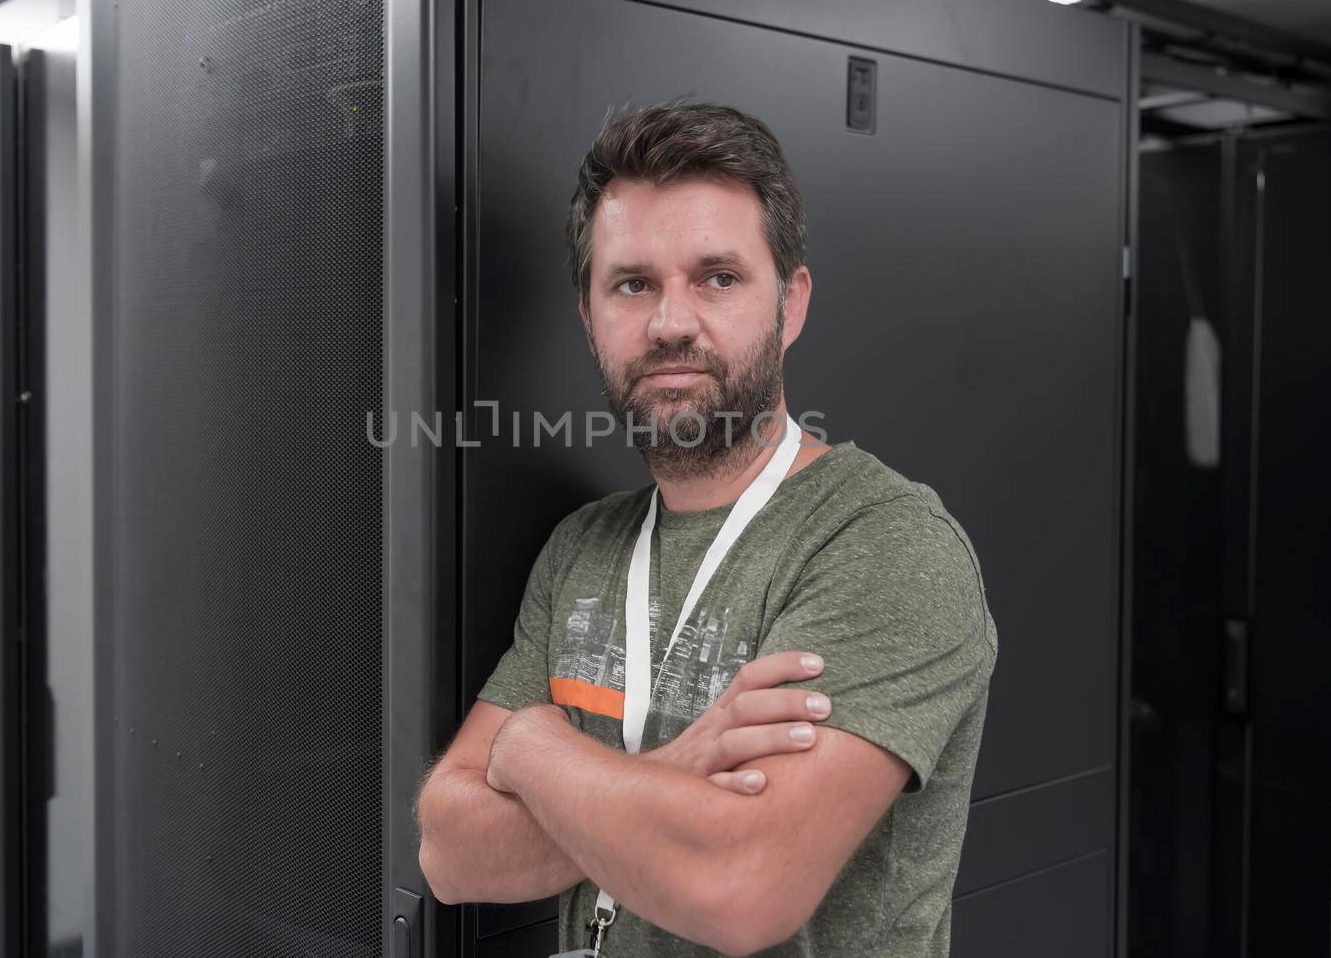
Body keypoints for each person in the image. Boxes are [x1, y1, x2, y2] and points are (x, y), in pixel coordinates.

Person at [416, 100, 999, 956]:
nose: (671, 322)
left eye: (718, 277)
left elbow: (737, 887)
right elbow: (447, 848)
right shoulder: (582, 547)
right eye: (632, 283)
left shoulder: (883, 545)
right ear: (588, 317)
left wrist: (534, 747)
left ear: (789, 304)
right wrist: (669, 782)